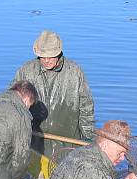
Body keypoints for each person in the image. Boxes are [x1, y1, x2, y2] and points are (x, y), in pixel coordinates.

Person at [11, 30, 95, 158]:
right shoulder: (26, 71)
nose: (46, 60)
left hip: (68, 140)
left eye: (50, 56)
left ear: (59, 53)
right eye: (42, 56)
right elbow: (12, 101)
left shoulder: (75, 72)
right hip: (35, 138)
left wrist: (88, 136)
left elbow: (86, 107)